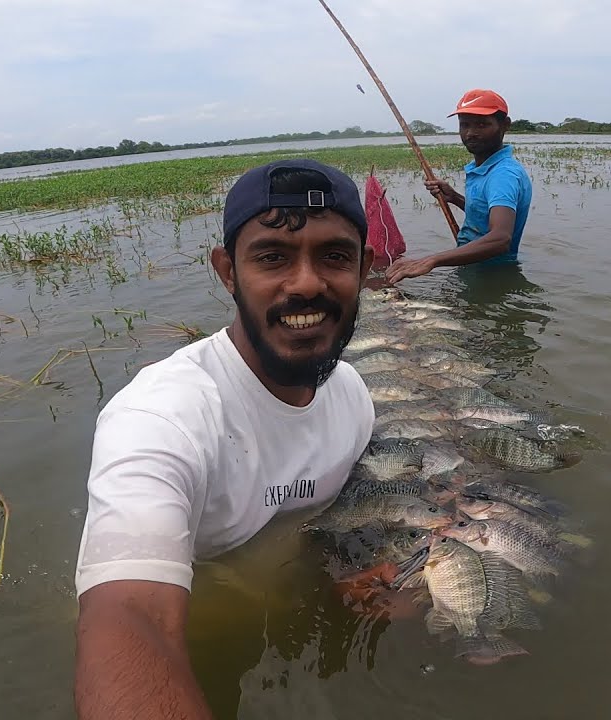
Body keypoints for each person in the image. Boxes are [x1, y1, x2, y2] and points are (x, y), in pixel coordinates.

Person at [72, 158, 377, 720]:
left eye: (335, 256)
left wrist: (364, 571)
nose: (307, 283)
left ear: (365, 269)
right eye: (272, 257)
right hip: (203, 629)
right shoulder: (162, 416)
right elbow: (129, 617)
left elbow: (346, 517)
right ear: (227, 271)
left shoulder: (353, 395)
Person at [384, 88, 534, 284]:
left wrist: (432, 260)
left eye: (482, 125)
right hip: (474, 267)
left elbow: (500, 238)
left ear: (505, 125)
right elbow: (486, 215)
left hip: (490, 275)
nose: (471, 133)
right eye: (465, 125)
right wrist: (454, 198)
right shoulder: (485, 168)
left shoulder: (503, 174)